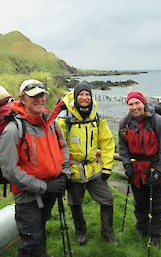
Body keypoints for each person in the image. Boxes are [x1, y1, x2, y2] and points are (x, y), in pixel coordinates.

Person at [0, 79, 69, 257]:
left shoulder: (51, 123)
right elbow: (9, 171)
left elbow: (64, 148)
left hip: (51, 189)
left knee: (40, 228)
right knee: (31, 240)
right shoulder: (13, 130)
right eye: (33, 96)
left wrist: (64, 175)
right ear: (22, 99)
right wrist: (45, 186)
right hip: (28, 196)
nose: (40, 99)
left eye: (42, 95)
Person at [57, 81, 118, 246]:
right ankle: (81, 231)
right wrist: (62, 171)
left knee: (107, 200)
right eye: (81, 95)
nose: (84, 98)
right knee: (75, 203)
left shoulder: (97, 117)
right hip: (73, 170)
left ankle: (108, 233)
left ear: (91, 97)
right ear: (75, 97)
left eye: (87, 94)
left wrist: (106, 167)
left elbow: (107, 142)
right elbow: (57, 146)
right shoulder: (64, 119)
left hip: (93, 169)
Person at [118, 91, 161, 246]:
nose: (135, 107)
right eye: (131, 104)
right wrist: (127, 164)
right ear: (128, 105)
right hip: (136, 171)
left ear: (143, 103)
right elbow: (122, 146)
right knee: (140, 202)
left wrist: (160, 171)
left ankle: (155, 235)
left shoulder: (157, 121)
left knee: (156, 204)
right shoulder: (124, 123)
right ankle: (142, 229)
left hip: (155, 169)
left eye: (137, 103)